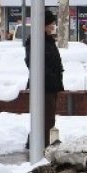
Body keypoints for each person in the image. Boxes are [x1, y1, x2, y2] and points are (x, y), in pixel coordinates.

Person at [23, 11, 64, 148]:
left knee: (47, 117)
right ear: (43, 25)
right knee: (45, 118)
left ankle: (37, 143)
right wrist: (50, 76)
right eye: (51, 24)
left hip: (51, 85)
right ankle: (41, 146)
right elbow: (33, 62)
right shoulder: (36, 40)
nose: (53, 26)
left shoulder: (48, 40)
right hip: (43, 85)